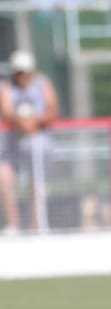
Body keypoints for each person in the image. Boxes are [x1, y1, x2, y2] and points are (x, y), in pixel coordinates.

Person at [0, 49, 58, 235]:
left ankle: (36, 227)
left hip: (38, 148)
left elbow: (52, 110)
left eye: (25, 72)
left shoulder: (43, 83)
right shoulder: (6, 87)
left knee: (37, 185)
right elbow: (8, 111)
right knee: (4, 178)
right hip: (13, 149)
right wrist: (22, 122)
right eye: (19, 72)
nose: (22, 76)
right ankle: (14, 225)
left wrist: (34, 121)